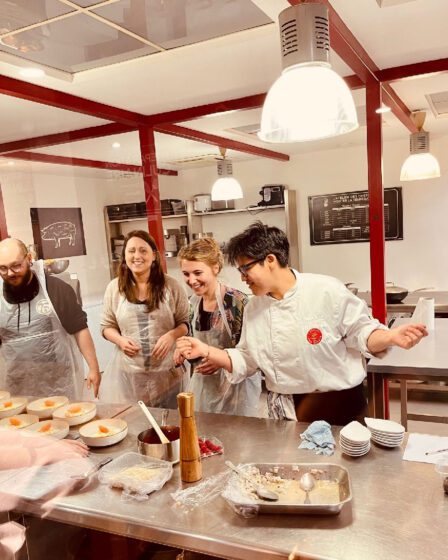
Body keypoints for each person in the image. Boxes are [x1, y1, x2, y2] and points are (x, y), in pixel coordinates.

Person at [176, 222, 428, 425]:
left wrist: (390, 336)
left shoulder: (326, 290)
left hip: (339, 406)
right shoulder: (255, 306)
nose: (243, 278)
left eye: (245, 269)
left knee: (347, 479)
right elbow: (247, 359)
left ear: (270, 260)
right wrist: (206, 351)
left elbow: (362, 333)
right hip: (285, 410)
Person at [0, 238, 100, 399]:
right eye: (3, 268)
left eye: (16, 266)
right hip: (16, 387)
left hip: (59, 385)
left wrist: (94, 368)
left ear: (29, 259)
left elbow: (80, 329)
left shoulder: (57, 289)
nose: (10, 273)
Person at [100, 230, 189, 406]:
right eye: (131, 251)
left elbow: (185, 323)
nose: (137, 256)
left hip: (167, 373)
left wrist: (171, 335)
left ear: (154, 256)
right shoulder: (114, 288)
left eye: (143, 250)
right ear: (124, 256)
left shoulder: (171, 286)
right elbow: (106, 326)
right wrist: (120, 340)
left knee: (169, 424)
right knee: (136, 423)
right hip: (130, 373)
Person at [178, 237, 261, 416]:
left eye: (198, 272)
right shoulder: (192, 304)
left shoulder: (237, 302)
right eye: (186, 274)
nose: (191, 280)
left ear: (215, 268)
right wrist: (185, 350)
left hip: (237, 390)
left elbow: (251, 356)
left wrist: (219, 360)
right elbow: (197, 346)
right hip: (205, 387)